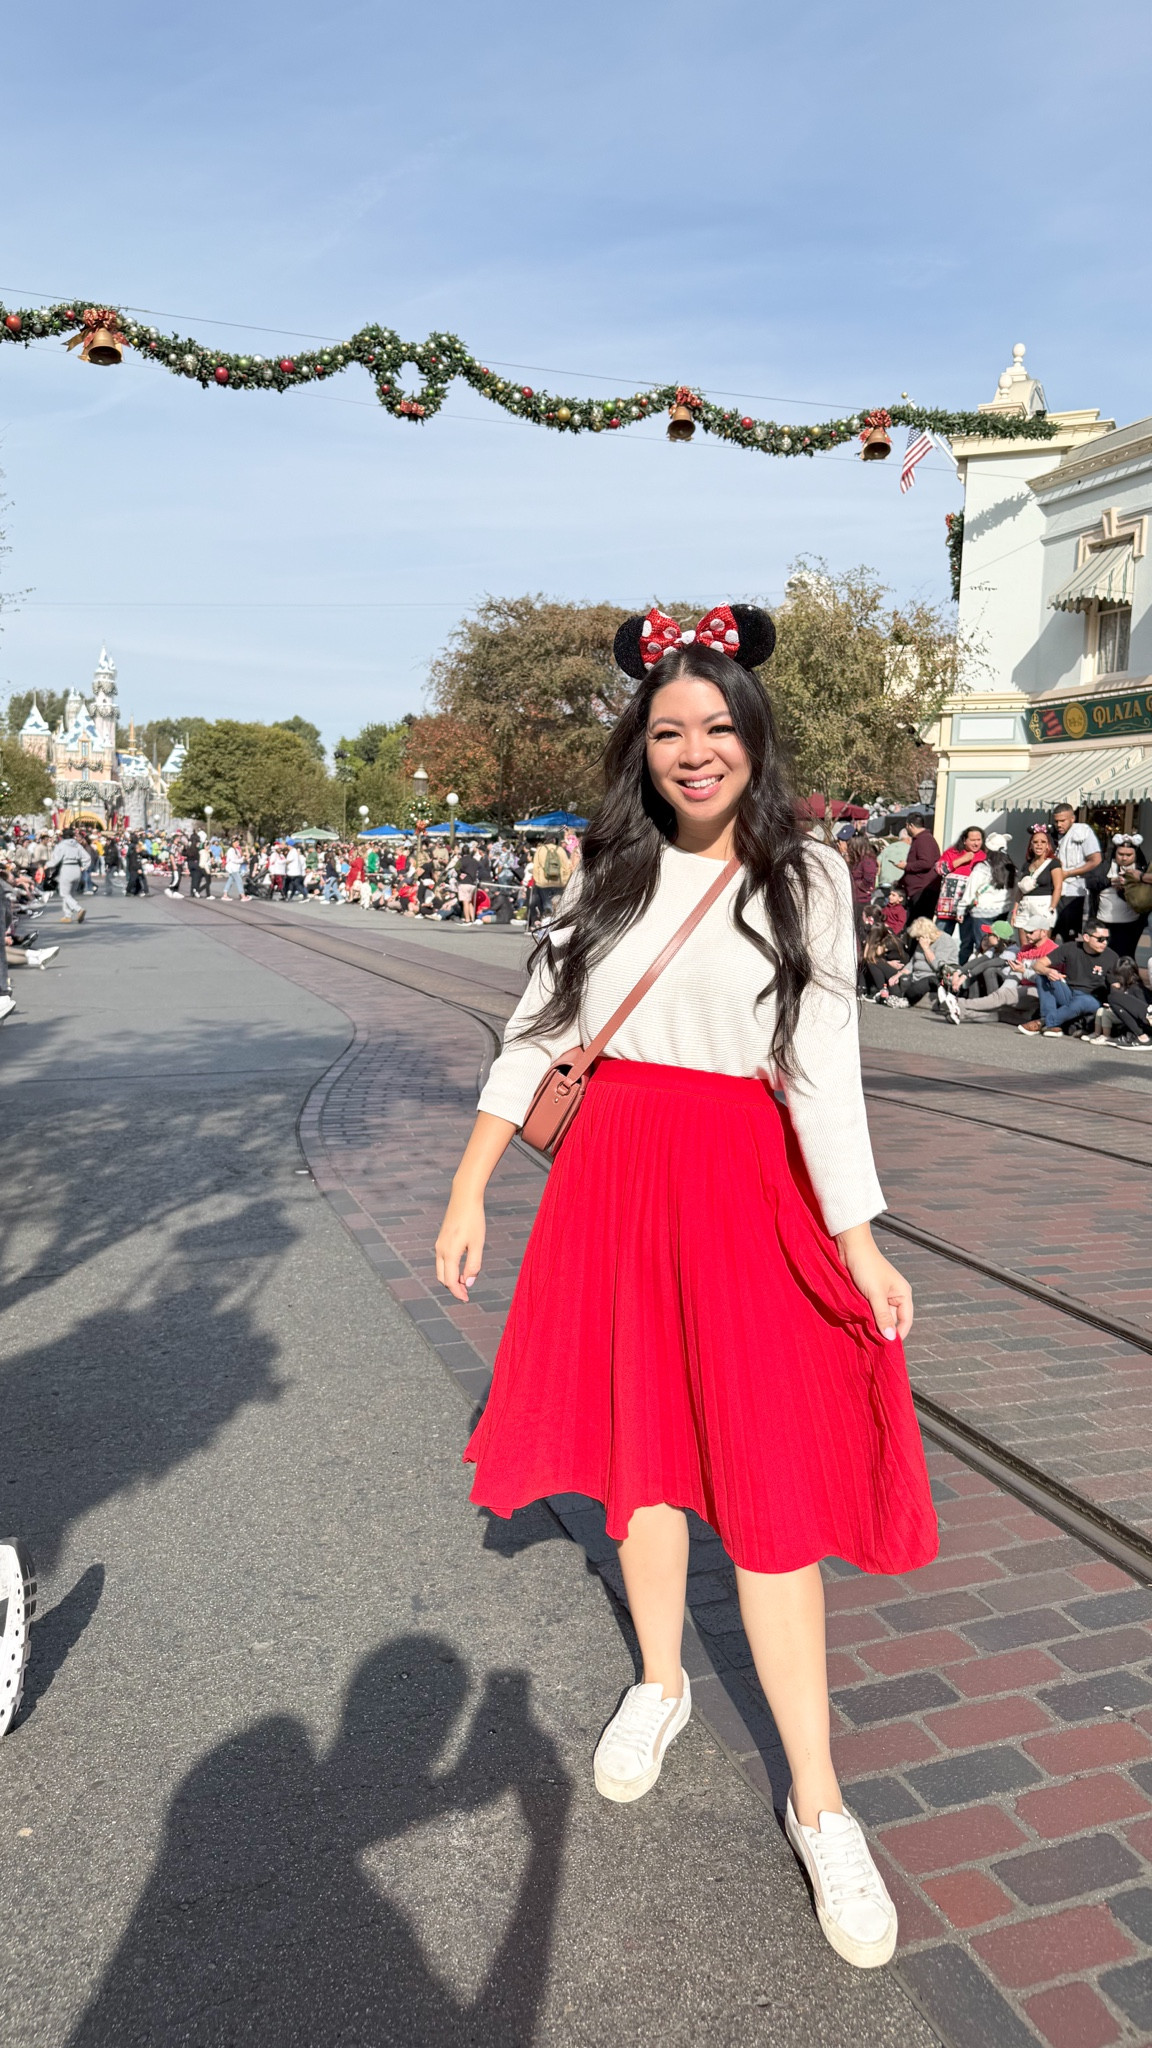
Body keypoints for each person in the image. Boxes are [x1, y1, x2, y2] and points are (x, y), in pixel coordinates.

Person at [435, 603, 936, 1972]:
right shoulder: (606, 869)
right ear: (640, 751)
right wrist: (474, 1184)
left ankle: (821, 1802)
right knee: (642, 1462)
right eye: (669, 733)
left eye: (717, 728)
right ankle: (658, 1682)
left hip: (745, 1180)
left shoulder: (809, 880)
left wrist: (860, 1242)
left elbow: (824, 1075)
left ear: (753, 740)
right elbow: (537, 1034)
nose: (694, 752)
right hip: (615, 1183)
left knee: (770, 1494)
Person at [1018, 921, 1120, 1038]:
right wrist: (1048, 971)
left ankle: (1044, 1022)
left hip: (1092, 999)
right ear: (1086, 937)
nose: (1105, 943)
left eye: (1107, 939)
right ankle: (1052, 1026)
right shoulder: (1070, 948)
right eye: (1100, 939)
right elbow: (1037, 965)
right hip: (1069, 993)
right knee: (1042, 977)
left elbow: (1116, 985)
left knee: (1082, 1001)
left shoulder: (1111, 957)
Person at [934, 826, 987, 962]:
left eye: (979, 840)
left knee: (967, 942)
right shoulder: (952, 852)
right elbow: (939, 869)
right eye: (972, 840)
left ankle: (960, 971)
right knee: (939, 939)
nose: (976, 843)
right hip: (948, 906)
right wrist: (963, 859)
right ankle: (938, 967)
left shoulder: (985, 856)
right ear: (964, 840)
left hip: (969, 907)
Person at [1051, 803, 1102, 941]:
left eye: (1063, 820)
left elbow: (1095, 859)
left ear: (1072, 818)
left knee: (1071, 935)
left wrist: (1068, 873)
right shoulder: (1052, 834)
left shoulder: (1082, 831)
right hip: (1054, 889)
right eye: (1056, 821)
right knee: (1050, 931)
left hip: (1073, 890)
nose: (1059, 824)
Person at [1096, 836, 1148, 959]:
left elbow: (1145, 895)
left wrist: (1127, 887)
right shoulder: (1105, 866)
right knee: (1102, 956)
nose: (1124, 858)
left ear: (1136, 855)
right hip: (1103, 921)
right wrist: (1110, 882)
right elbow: (1091, 881)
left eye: (1128, 855)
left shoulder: (1141, 870)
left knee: (1126, 957)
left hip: (1130, 923)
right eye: (1120, 854)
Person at [1013, 825, 1063, 939]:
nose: (1039, 844)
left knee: (1042, 943)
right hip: (1025, 904)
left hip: (1043, 903)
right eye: (1035, 842)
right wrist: (1015, 910)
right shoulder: (1026, 864)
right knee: (1024, 944)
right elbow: (1020, 890)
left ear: (1047, 845)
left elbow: (1058, 887)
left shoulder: (1053, 863)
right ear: (1031, 845)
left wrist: (1051, 908)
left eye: (1043, 842)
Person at [1088, 959, 1152, 1048]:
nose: (1116, 978)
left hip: (1146, 1022)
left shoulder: (1136, 989)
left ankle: (1143, 1035)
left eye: (1118, 976)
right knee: (1112, 1001)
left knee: (1113, 997)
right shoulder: (1128, 988)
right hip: (1143, 1020)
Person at [900, 815, 941, 922]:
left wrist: (906, 866)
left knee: (919, 926)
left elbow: (926, 863)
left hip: (923, 891)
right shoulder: (921, 839)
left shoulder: (924, 840)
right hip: (918, 890)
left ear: (910, 825)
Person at [46, 829, 91, 923]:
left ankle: (78, 909)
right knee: (71, 894)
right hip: (76, 869)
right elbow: (87, 857)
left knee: (64, 893)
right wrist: (84, 867)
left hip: (66, 868)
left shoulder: (61, 845)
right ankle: (68, 915)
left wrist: (47, 865)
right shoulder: (77, 845)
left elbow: (56, 859)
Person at [529, 835, 572, 929]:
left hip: (544, 883)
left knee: (547, 905)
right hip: (559, 882)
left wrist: (537, 880)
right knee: (557, 905)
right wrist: (565, 880)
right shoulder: (560, 850)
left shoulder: (540, 850)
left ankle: (547, 927)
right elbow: (567, 867)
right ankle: (556, 926)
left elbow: (535, 867)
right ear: (554, 840)